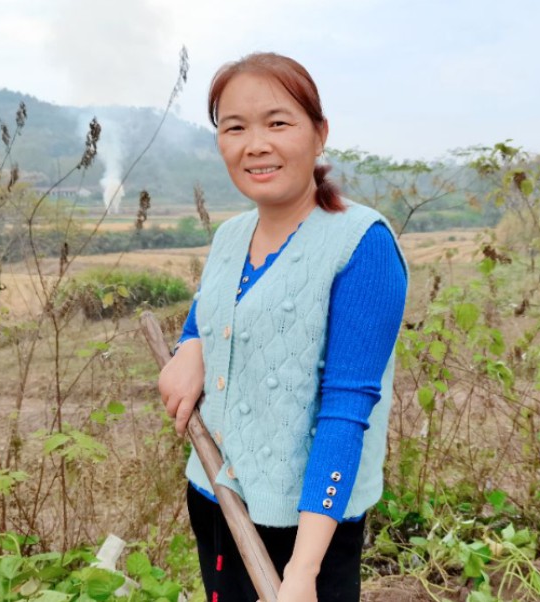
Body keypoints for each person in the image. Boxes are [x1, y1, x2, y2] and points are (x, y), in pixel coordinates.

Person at [157, 52, 407, 602]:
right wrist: (190, 344)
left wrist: (302, 571)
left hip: (307, 523)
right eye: (235, 127)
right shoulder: (229, 238)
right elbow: (211, 317)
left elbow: (345, 409)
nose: (256, 144)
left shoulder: (362, 246)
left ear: (319, 134)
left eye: (278, 122)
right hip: (214, 489)